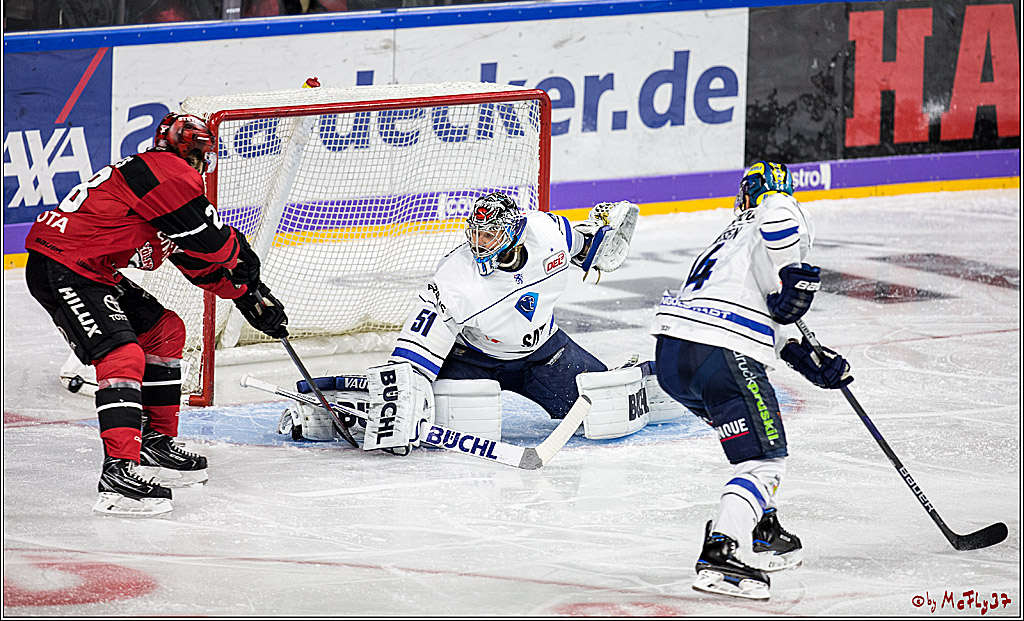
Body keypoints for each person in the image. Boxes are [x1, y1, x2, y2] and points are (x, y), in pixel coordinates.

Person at [24, 113, 289, 516]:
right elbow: (214, 244)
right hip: (64, 267)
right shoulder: (165, 174)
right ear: (198, 154)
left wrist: (245, 294)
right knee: (121, 355)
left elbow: (196, 260)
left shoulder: (162, 189)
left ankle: (154, 445)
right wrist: (245, 263)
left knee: (165, 331)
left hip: (90, 269)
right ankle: (118, 474)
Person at [279, 192, 646, 450]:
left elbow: (590, 243)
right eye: (475, 232)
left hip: (545, 352)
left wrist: (604, 237)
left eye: (489, 235)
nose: (478, 242)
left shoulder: (547, 232)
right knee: (417, 415)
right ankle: (327, 405)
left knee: (606, 412)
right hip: (472, 360)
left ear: (515, 233)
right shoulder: (455, 280)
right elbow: (409, 363)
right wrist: (400, 403)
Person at [649, 161, 852, 600]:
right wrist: (791, 274)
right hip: (720, 350)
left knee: (749, 445)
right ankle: (721, 553)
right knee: (764, 459)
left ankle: (761, 527)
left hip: (674, 355)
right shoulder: (776, 209)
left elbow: (760, 312)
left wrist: (805, 358)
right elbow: (778, 214)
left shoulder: (730, 239)